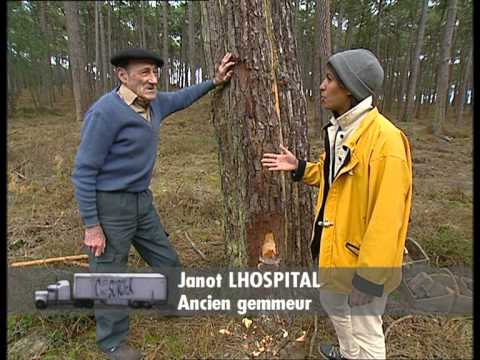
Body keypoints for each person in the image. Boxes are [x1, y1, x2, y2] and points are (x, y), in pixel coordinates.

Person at [71, 48, 235, 360]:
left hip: (141, 201)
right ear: (123, 76)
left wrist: (214, 81)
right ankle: (112, 343)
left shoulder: (154, 103)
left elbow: (183, 97)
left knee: (165, 258)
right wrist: (92, 225)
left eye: (155, 72)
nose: (152, 79)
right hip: (110, 206)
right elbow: (83, 171)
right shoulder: (105, 112)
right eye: (144, 72)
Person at [261, 49, 412, 359]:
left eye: (329, 79)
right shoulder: (344, 130)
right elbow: (337, 178)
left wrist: (369, 279)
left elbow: (388, 218)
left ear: (349, 88)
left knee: (366, 331)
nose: (321, 86)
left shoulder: (386, 142)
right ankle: (348, 353)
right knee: (333, 305)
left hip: (361, 263)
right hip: (334, 249)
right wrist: (301, 168)